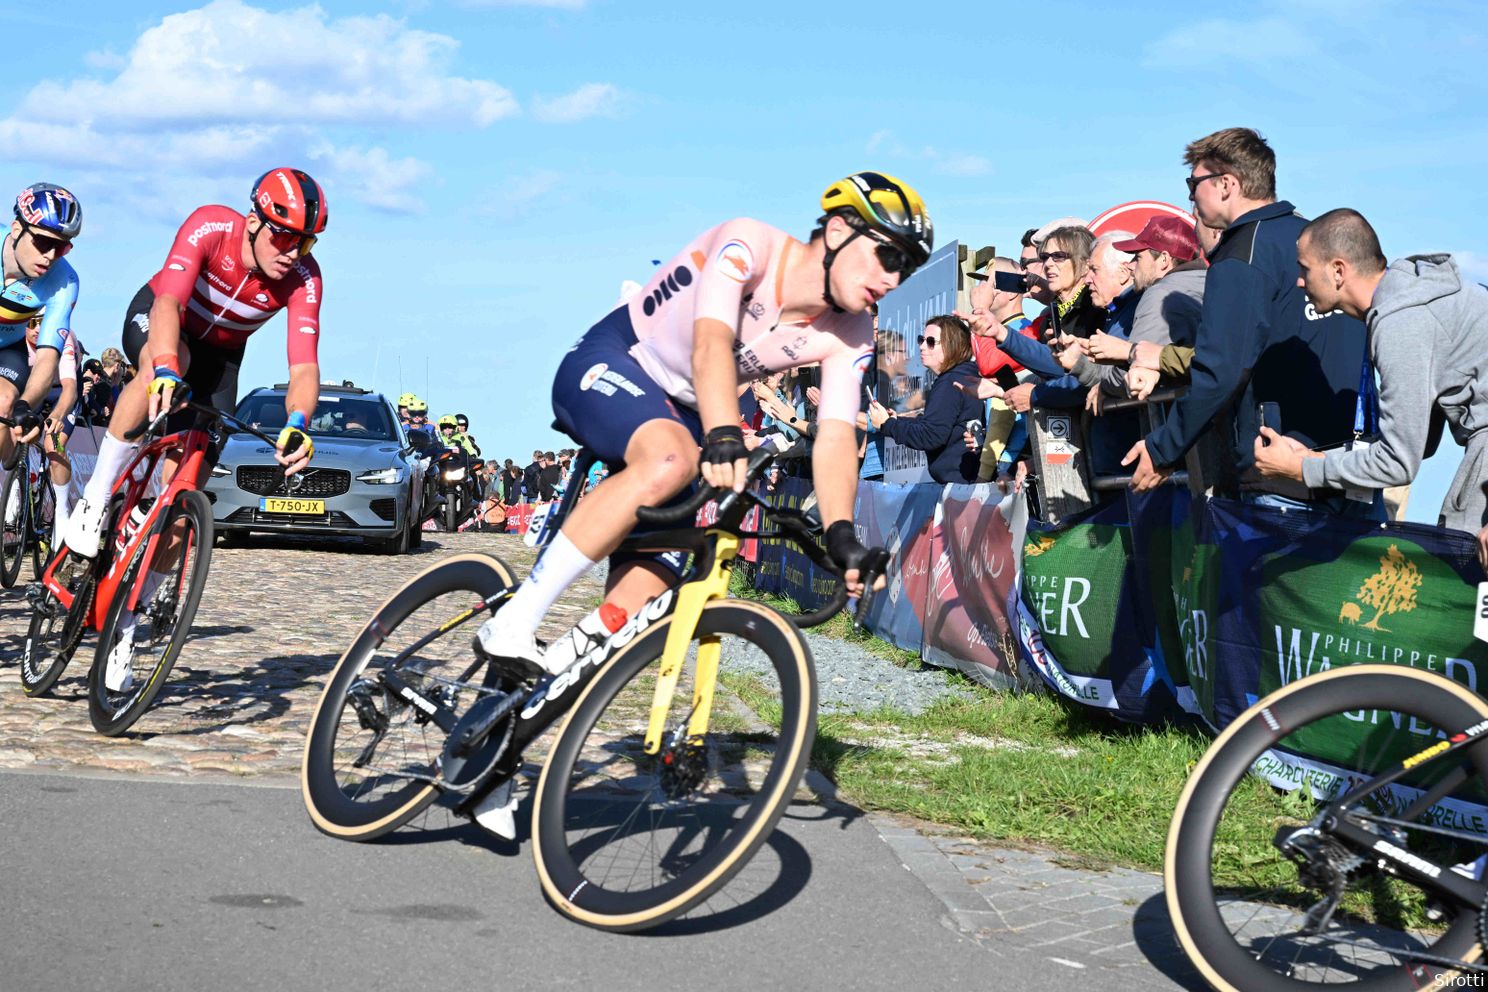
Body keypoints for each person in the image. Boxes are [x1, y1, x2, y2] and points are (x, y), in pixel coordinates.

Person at [476, 171, 917, 679]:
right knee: (674, 458)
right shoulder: (751, 244)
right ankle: (515, 620)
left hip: (688, 410)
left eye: (906, 269)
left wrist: (842, 535)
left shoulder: (854, 332)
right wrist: (725, 436)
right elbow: (710, 343)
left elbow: (837, 434)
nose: (893, 279)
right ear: (838, 231)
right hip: (622, 357)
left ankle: (542, 684)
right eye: (889, 258)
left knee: (656, 579)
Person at [65, 168, 327, 562]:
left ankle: (139, 608)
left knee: (186, 491)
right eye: (285, 236)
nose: (292, 253)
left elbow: (304, 367)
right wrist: (168, 369)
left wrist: (298, 423)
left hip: (221, 359)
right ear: (253, 223)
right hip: (166, 321)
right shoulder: (211, 225)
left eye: (305, 243)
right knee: (170, 362)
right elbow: (169, 304)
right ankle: (95, 499)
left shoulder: (304, 278)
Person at [1123, 128, 1371, 516]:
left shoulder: (1242, 256)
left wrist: (1161, 449)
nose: (1190, 195)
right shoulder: (1318, 237)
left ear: (1227, 184)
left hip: (1281, 474)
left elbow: (1220, 369)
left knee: (1269, 580)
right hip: (1355, 468)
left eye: (1194, 183)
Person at [1253, 208, 1488, 533]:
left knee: (1467, 564)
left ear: (1338, 271)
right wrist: (1317, 458)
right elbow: (1420, 444)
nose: (1299, 280)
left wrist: (1301, 469)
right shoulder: (1412, 302)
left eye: (1304, 268)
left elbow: (1397, 464)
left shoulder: (1401, 322)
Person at [1, 183, 82, 485]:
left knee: (5, 402)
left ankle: (10, 475)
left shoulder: (64, 281)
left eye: (61, 247)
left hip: (8, 347)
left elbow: (48, 358)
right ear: (16, 228)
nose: (50, 256)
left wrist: (25, 405)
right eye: (43, 242)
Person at [867, 315, 982, 483]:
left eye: (930, 341)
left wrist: (887, 425)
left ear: (952, 345)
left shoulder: (950, 382)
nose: (921, 346)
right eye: (921, 340)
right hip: (964, 480)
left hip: (960, 485)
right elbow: (937, 425)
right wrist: (896, 420)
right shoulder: (962, 375)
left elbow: (931, 435)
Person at [22, 313, 83, 536]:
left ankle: (62, 511)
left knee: (53, 446)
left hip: (63, 395)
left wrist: (57, 415)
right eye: (32, 323)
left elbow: (69, 390)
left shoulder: (62, 338)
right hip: (36, 391)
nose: (38, 329)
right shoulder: (14, 340)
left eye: (43, 322)